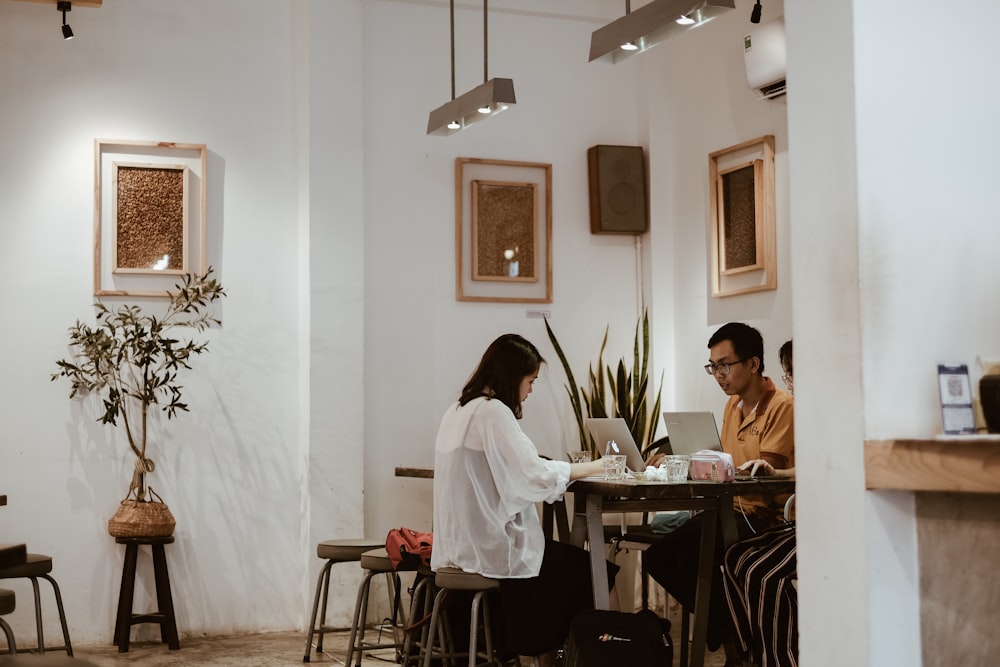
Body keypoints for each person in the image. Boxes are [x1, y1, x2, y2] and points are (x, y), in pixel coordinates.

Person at [431, 333, 619, 667]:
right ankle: (611, 655)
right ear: (512, 375)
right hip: (492, 550)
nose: (530, 390)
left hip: (457, 549)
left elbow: (518, 472)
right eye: (530, 380)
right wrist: (598, 465)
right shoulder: (493, 413)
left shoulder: (457, 410)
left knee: (566, 562)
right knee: (595, 569)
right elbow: (533, 475)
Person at [643, 323, 794, 665]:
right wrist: (686, 461)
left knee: (691, 558)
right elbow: (724, 465)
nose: (718, 375)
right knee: (659, 557)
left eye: (725, 365)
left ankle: (737, 647)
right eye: (713, 366)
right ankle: (734, 639)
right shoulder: (732, 407)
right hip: (729, 510)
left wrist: (702, 464)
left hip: (765, 517)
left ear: (753, 364)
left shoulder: (781, 406)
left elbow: (760, 474)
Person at [723, 340, 799, 667]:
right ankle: (748, 652)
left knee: (762, 573)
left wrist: (778, 472)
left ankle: (779, 660)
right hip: (799, 521)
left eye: (795, 374)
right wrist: (779, 471)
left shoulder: (791, 408)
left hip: (827, 524)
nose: (791, 383)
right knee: (733, 555)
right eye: (788, 374)